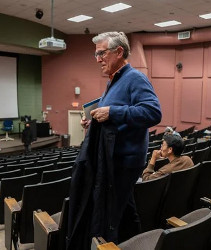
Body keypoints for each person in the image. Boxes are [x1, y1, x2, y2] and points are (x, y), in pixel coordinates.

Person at [67, 31, 162, 249]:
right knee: (125, 210)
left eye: (101, 53)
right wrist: (96, 122)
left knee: (111, 216)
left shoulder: (135, 78)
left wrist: (112, 113)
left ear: (119, 52)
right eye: (96, 55)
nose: (98, 59)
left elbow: (153, 113)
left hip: (123, 161)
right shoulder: (113, 81)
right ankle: (135, 243)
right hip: (115, 159)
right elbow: (115, 114)